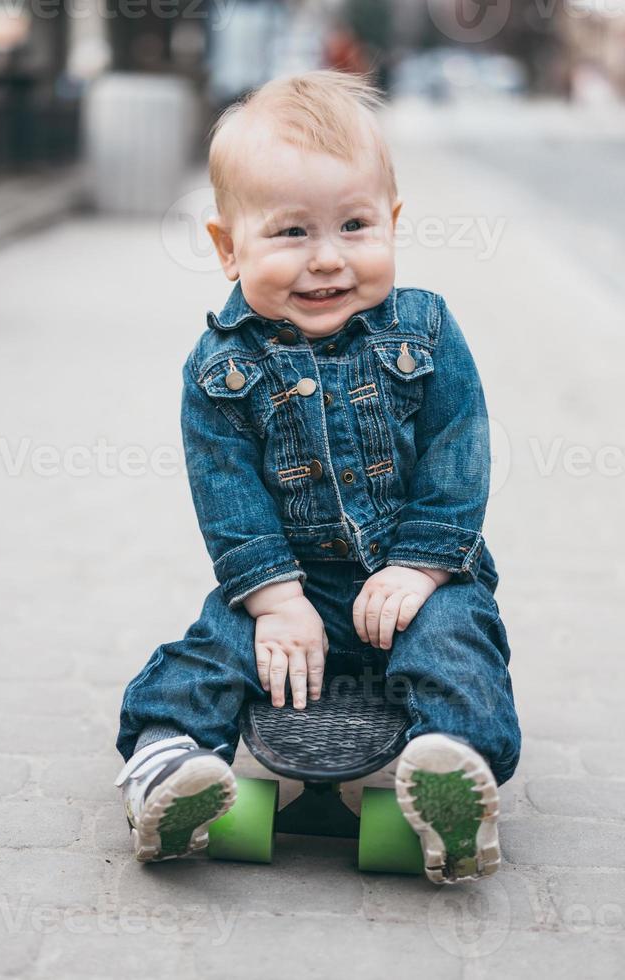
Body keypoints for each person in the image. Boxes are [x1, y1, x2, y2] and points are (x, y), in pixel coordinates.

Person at [112, 70, 521, 884]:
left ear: (393, 224)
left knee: (456, 642)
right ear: (229, 248)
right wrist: (272, 599)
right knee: (212, 650)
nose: (328, 260)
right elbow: (228, 495)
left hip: (415, 577)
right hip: (290, 583)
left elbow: (459, 448)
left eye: (356, 225)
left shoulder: (427, 329)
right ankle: (166, 759)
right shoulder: (220, 367)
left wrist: (423, 562)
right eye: (292, 233)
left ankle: (452, 770)